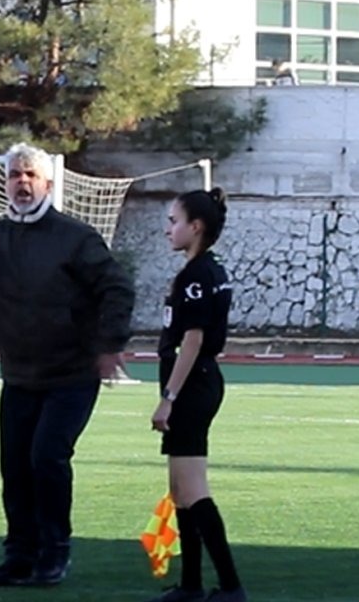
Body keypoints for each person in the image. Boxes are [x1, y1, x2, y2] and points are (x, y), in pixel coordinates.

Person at [0, 142, 134, 587]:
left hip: (72, 375)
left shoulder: (75, 237)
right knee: (15, 466)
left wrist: (108, 343)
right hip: (19, 377)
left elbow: (117, 287)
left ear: (47, 183)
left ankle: (54, 552)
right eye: (14, 175)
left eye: (30, 175)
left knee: (47, 457)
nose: (22, 182)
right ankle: (19, 555)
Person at [145, 189, 245, 602]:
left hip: (194, 384)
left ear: (196, 226)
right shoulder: (208, 269)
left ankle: (230, 585)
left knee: (193, 489)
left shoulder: (197, 275)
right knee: (181, 489)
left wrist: (169, 396)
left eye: (174, 221)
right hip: (199, 382)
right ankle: (190, 584)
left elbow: (193, 339)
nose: (169, 228)